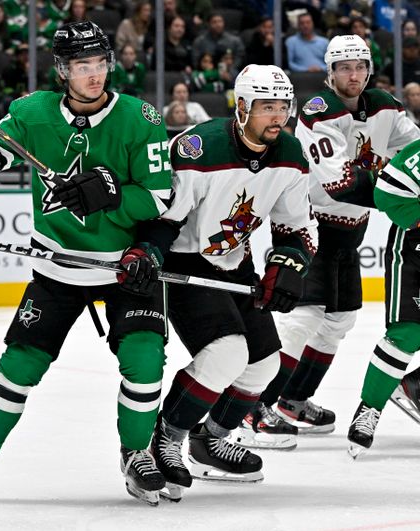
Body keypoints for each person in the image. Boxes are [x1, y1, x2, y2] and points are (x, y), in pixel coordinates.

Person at [0, 21, 172, 505]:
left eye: (100, 64)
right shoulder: (31, 113)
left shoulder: (140, 118)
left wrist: (111, 193)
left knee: (145, 362)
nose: (95, 76)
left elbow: (160, 195)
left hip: (124, 267)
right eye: (83, 66)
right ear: (64, 70)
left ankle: (136, 453)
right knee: (19, 365)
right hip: (56, 267)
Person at [141, 64, 316, 496]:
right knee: (226, 352)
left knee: (264, 364)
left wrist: (289, 263)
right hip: (184, 266)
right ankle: (166, 438)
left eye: (283, 107)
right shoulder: (199, 148)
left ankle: (211, 439)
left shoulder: (291, 155)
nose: (278, 117)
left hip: (235, 263)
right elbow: (163, 217)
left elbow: (294, 227)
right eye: (266, 107)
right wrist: (144, 253)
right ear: (241, 107)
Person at [251, 35, 419, 439]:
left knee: (338, 321)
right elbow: (340, 183)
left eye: (360, 66)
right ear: (329, 72)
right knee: (302, 319)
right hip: (310, 227)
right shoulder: (318, 112)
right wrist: (399, 190)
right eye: (344, 67)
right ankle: (254, 407)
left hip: (351, 231)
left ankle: (292, 402)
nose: (354, 75)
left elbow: (415, 151)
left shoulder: (384, 106)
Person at [346, 138, 420, 457]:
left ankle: (416, 387)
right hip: (414, 252)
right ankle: (369, 409)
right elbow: (386, 191)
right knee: (407, 333)